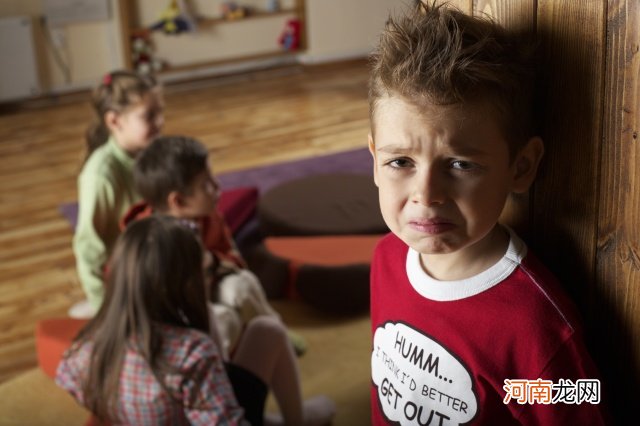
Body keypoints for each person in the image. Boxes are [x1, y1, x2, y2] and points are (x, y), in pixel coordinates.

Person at [367, 3, 609, 425]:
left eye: (460, 164)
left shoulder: (536, 329)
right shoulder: (386, 259)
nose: (426, 196)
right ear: (373, 158)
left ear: (521, 167)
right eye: (400, 162)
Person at [56, 215, 336, 425]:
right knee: (268, 330)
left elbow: (73, 385)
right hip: (203, 408)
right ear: (184, 284)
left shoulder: (86, 345)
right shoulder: (191, 353)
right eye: (202, 273)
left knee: (263, 329)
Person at [121, 135, 306, 357]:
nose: (217, 186)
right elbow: (157, 311)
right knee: (223, 321)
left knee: (244, 285)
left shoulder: (208, 217)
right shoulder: (148, 243)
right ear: (178, 202)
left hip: (210, 289)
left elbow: (233, 257)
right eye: (206, 184)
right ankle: (219, 375)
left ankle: (276, 332)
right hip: (179, 322)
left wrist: (213, 261)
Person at [70, 70, 164, 318]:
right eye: (149, 116)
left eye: (160, 113)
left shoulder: (150, 152)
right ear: (114, 121)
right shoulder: (100, 175)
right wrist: (105, 307)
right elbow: (89, 249)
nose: (160, 122)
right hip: (130, 275)